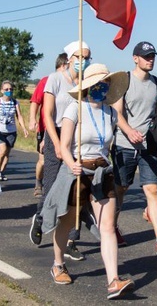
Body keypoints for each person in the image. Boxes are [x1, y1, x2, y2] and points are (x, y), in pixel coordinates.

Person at [41, 63, 135, 299]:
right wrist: (71, 162)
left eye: (106, 83)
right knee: (66, 223)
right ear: (88, 86)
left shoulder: (111, 112)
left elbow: (114, 140)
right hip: (76, 172)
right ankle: (58, 264)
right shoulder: (75, 109)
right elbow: (63, 145)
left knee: (108, 227)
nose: (102, 87)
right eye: (98, 84)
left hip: (102, 172)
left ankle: (113, 280)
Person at [30, 41, 95, 262]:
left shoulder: (87, 83)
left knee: (77, 191)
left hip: (77, 136)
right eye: (80, 57)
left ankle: (71, 240)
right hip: (56, 133)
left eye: (87, 57)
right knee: (52, 186)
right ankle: (41, 218)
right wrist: (56, 144)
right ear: (69, 59)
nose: (83, 61)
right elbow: (47, 114)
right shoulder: (54, 80)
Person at [111, 41, 157, 254]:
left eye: (152, 56)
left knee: (152, 189)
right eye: (146, 56)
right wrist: (129, 131)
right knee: (120, 188)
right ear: (135, 58)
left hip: (148, 146)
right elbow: (117, 113)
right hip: (124, 144)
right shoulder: (124, 80)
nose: (150, 59)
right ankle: (111, 226)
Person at [30, 53, 69, 197]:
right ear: (64, 65)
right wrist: (32, 119)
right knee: (43, 160)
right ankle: (39, 182)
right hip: (45, 127)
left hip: (64, 129)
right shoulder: (48, 80)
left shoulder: (72, 83)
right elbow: (36, 101)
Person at [0, 80, 28, 181]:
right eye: (6, 89)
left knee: (7, 153)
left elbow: (19, 116)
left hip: (11, 131)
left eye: (10, 89)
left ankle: (1, 172)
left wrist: (23, 128)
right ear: (1, 90)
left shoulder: (15, 102)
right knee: (2, 150)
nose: (9, 91)